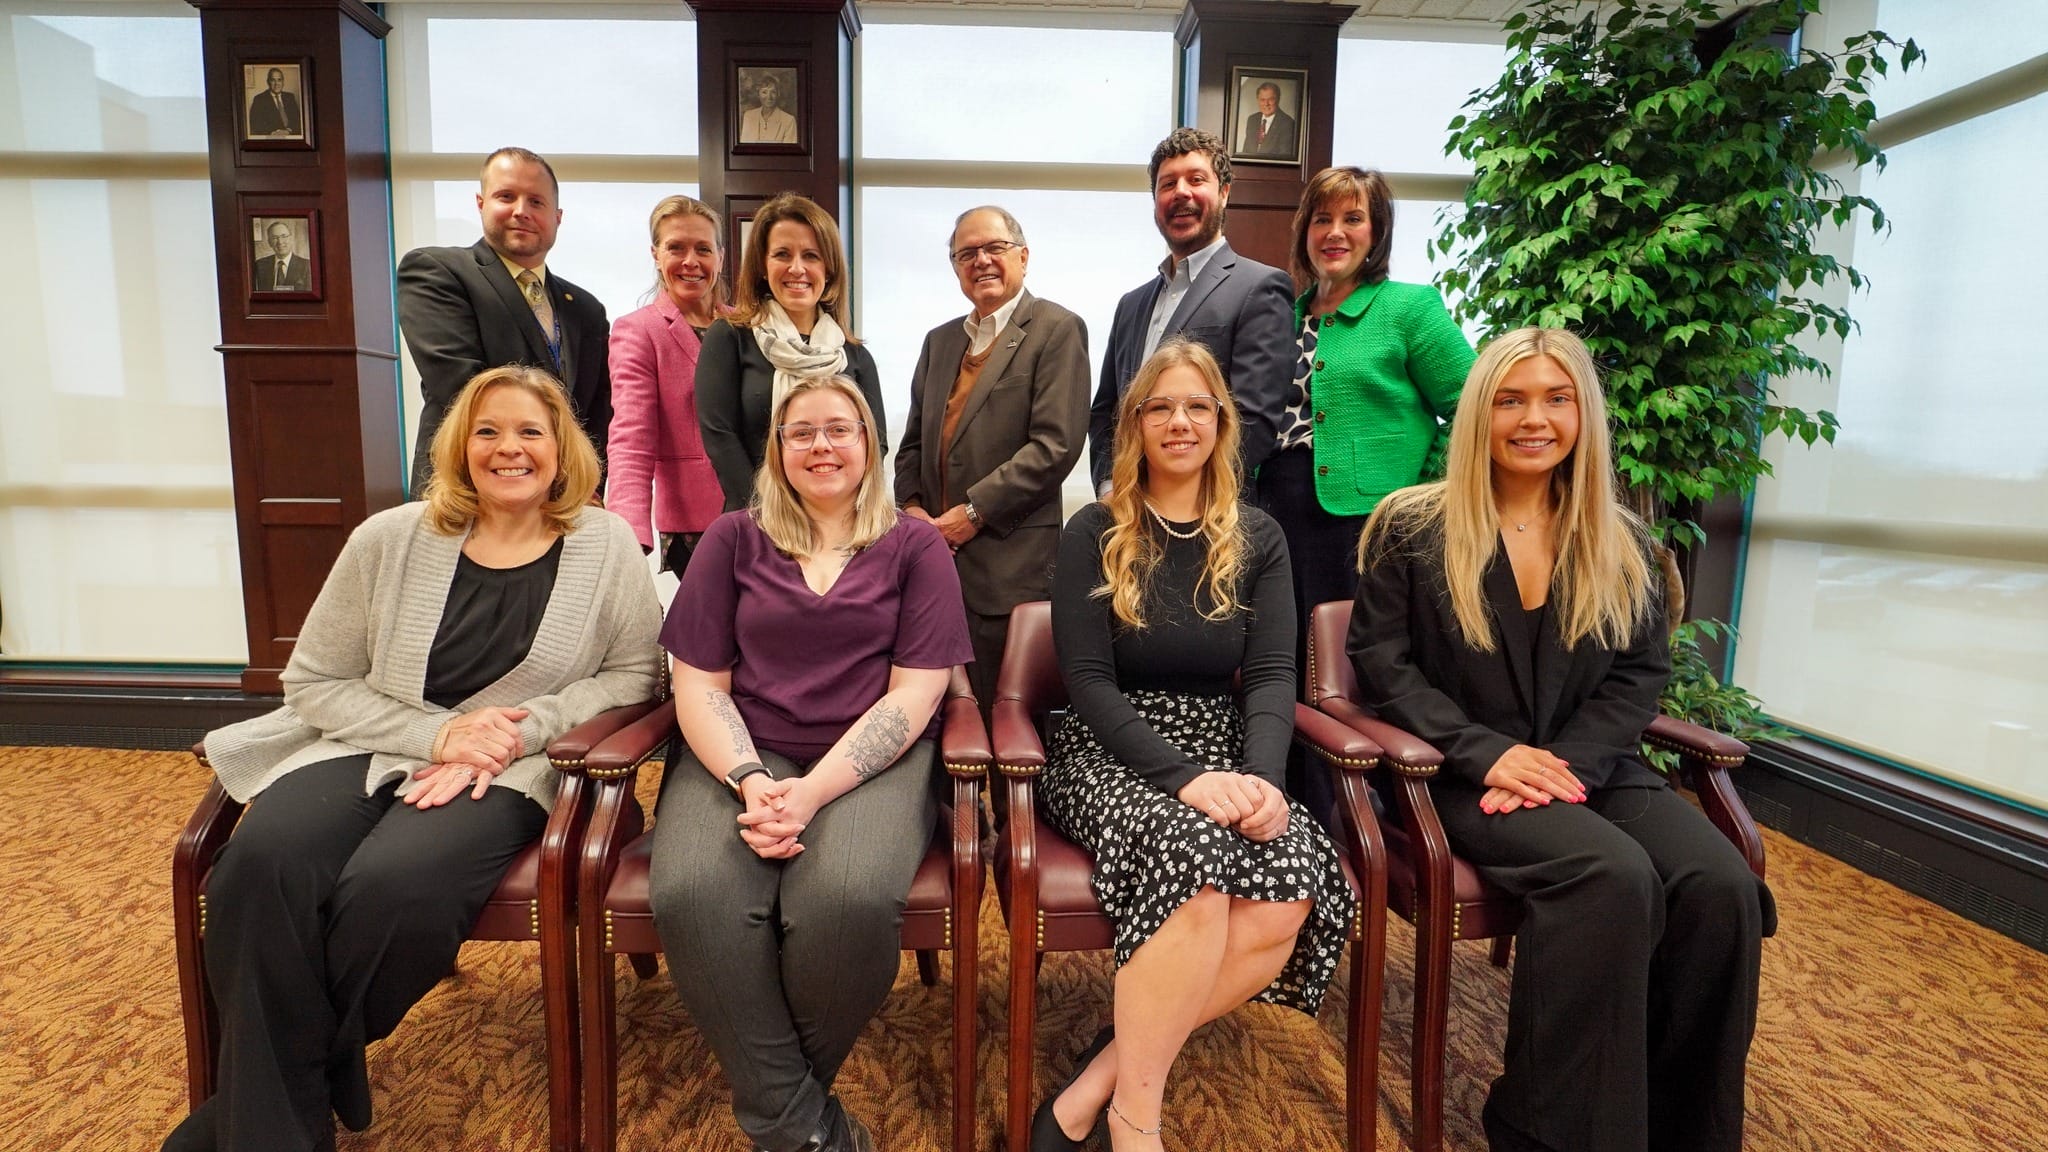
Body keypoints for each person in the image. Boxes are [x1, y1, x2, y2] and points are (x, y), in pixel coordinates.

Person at [162, 365, 663, 1152]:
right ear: (458, 447)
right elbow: (314, 680)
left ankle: (260, 1108)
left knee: (395, 885)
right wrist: (437, 736)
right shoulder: (388, 538)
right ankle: (278, 1122)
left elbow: (636, 673)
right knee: (260, 864)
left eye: (530, 432)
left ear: (563, 451)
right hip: (367, 742)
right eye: (487, 431)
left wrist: (514, 730)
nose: (509, 449)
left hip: (506, 766)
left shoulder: (604, 544)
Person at [1346, 328, 1774, 1152]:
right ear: (1478, 412)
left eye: (1556, 398)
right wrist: (1486, 752)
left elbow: (1637, 677)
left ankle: (1682, 1131)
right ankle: (1547, 1130)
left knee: (1721, 886)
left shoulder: (1625, 544)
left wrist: (1567, 764)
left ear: (1584, 413)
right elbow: (1382, 663)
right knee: (1609, 875)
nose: (1532, 418)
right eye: (1510, 399)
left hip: (1592, 766)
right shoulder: (1412, 526)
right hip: (1464, 777)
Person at [1035, 339, 1354, 1152]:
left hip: (1224, 745)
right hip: (1110, 748)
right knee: (1199, 869)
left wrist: (1262, 779)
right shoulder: (1093, 529)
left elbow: (1277, 672)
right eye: (1160, 407)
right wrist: (1184, 781)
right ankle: (1137, 1121)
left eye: (1197, 407)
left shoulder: (1258, 537)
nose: (1179, 421)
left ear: (1221, 424)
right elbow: (1088, 684)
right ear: (1136, 424)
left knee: (1290, 878)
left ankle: (1095, 1085)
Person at [650, 374, 972, 1152]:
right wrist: (754, 782)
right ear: (778, 448)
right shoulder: (732, 537)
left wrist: (812, 793)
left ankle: (777, 1112)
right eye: (802, 432)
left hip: (874, 756)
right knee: (694, 893)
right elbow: (697, 683)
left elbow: (914, 698)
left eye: (840, 429)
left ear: (870, 445)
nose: (822, 445)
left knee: (847, 899)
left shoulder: (916, 544)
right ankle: (805, 1130)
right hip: (738, 751)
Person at [1266, 166, 1476, 820]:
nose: (1335, 233)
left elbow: (1473, 408)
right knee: (1287, 665)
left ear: (1377, 231)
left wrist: (1417, 496)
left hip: (1362, 528)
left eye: (1352, 219)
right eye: (1322, 220)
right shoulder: (1291, 314)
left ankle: (1363, 827)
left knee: (1352, 675)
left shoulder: (1409, 307)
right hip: (1276, 518)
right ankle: (1295, 812)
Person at [895, 205, 1089, 711]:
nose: (980, 261)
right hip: (935, 566)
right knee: (935, 716)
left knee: (1008, 727)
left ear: (1023, 257)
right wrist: (914, 511)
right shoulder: (939, 343)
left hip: (1009, 572)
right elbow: (912, 445)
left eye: (994, 248)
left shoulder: (1056, 329)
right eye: (966, 253)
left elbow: (1056, 446)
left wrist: (971, 515)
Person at [1090, 128, 1293, 495]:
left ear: (1224, 193)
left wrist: (1182, 497)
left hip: (1211, 514)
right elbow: (1107, 412)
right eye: (1168, 184)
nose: (1181, 191)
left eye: (1196, 179)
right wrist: (1110, 488)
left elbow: (1255, 419)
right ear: (1155, 201)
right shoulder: (1131, 305)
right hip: (1126, 513)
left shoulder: (1260, 287)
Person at [398, 147, 611, 496]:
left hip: (558, 498)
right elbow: (462, 387)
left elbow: (596, 412)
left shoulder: (586, 308)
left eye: (536, 202)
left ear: (557, 217)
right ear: (481, 203)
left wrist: (588, 489)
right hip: (464, 492)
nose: (521, 211)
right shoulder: (437, 272)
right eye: (506, 196)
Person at [697, 192, 885, 512]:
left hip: (838, 522)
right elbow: (720, 436)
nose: (797, 268)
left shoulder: (854, 356)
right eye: (782, 254)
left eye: (811, 255)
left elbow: (874, 446)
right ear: (761, 266)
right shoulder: (730, 337)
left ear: (829, 269)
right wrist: (768, 512)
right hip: (757, 517)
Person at [606, 194, 728, 576]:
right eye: (676, 247)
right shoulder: (638, 331)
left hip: (763, 516)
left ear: (720, 258)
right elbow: (631, 438)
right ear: (656, 254)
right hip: (693, 525)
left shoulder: (747, 326)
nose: (690, 261)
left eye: (703, 249)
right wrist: (627, 537)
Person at [1238, 82, 1297, 159]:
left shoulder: (1287, 123)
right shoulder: (1252, 120)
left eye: (1271, 99)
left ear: (1278, 99)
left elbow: (1284, 157)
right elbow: (1245, 151)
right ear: (1258, 100)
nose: (1266, 104)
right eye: (1262, 100)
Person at [252, 219, 311, 293]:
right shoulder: (260, 265)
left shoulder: (306, 265)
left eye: (284, 236)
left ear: (291, 239)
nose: (280, 242)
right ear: (269, 242)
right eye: (275, 238)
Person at [740, 75, 797, 144]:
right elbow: (744, 149)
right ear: (758, 94)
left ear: (778, 94)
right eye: (764, 92)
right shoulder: (748, 116)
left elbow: (790, 152)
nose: (769, 97)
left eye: (773, 92)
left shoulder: (789, 120)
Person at [248, 67, 302, 137]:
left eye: (279, 80)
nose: (277, 83)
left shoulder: (290, 97)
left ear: (283, 82)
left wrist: (289, 131)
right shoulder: (259, 99)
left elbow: (299, 121)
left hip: (291, 137)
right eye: (273, 80)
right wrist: (274, 133)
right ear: (268, 82)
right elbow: (255, 125)